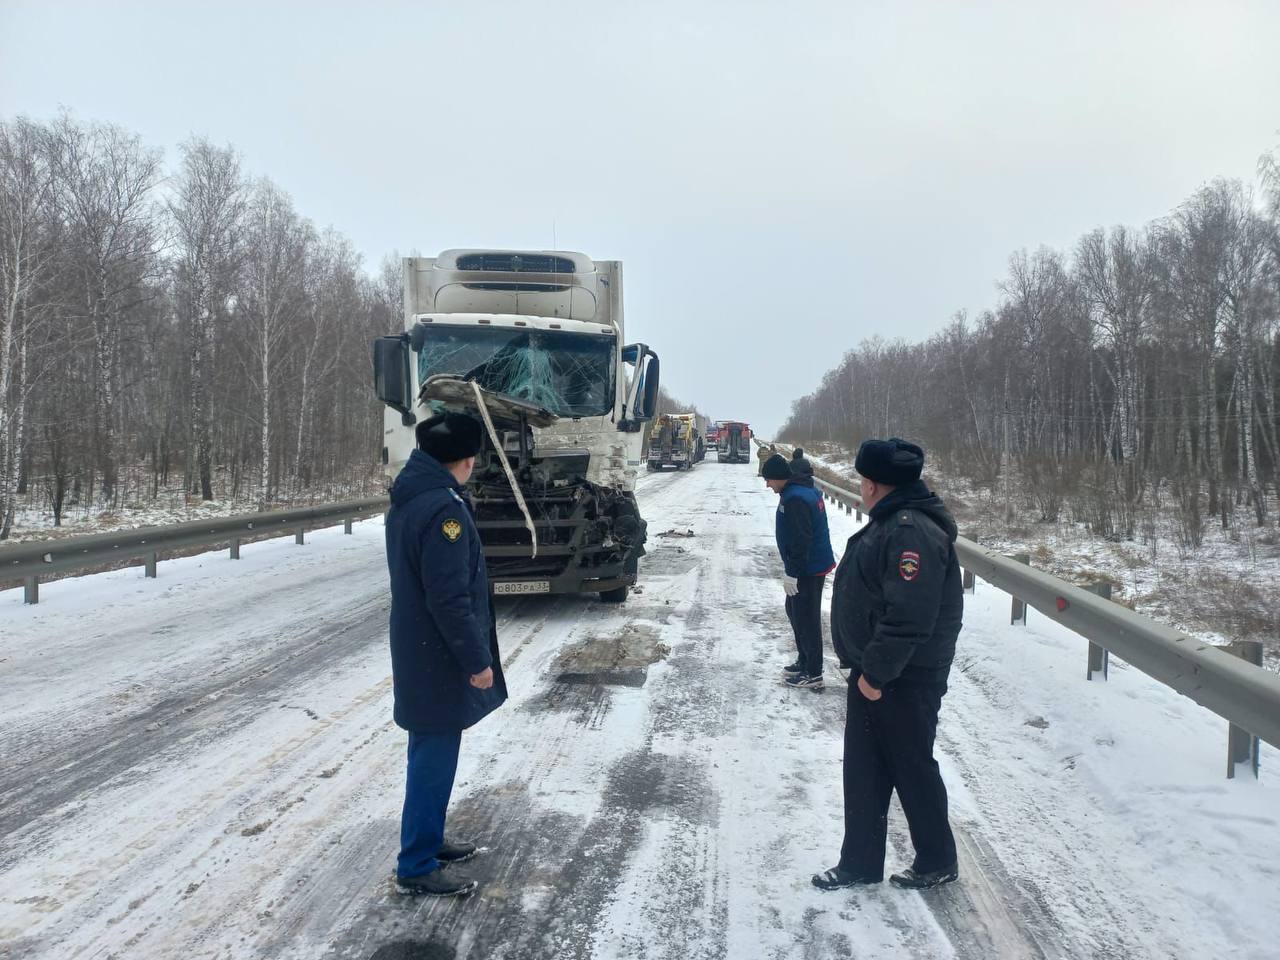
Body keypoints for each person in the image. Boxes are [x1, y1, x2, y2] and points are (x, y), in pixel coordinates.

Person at [812, 437, 962, 892]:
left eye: (863, 480)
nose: (861, 487)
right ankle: (858, 862)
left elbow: (910, 615)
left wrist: (876, 675)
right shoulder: (895, 522)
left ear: (875, 484)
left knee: (911, 767)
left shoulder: (909, 531)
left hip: (903, 677)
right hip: (880, 673)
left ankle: (937, 859)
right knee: (865, 771)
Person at [385, 411, 508, 897]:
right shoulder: (444, 510)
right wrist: (477, 663)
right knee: (433, 758)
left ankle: (428, 841)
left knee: (429, 751)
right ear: (465, 458)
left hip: (420, 648)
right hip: (436, 655)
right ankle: (416, 863)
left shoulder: (413, 497)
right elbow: (449, 598)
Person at [762, 452, 836, 690]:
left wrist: (793, 572)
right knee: (794, 611)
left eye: (769, 480)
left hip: (808, 569)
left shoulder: (795, 498)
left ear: (778, 477)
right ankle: (805, 660)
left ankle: (813, 673)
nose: (767, 484)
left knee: (807, 618)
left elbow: (801, 540)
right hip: (809, 565)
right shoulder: (800, 491)